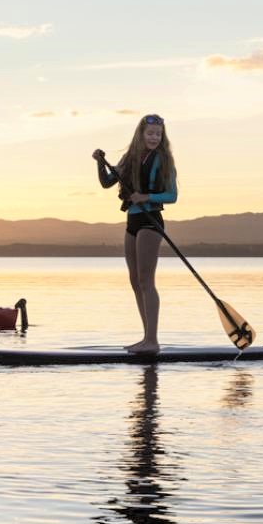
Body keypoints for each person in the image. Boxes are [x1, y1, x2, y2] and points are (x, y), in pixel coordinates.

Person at [93, 114, 178, 354]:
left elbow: (172, 196)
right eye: (150, 133)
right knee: (134, 280)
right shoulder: (129, 158)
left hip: (151, 221)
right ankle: (145, 338)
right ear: (141, 134)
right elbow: (107, 182)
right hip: (132, 220)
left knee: (146, 280)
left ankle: (152, 340)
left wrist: (146, 197)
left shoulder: (164, 160)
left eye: (158, 134)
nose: (154, 137)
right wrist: (100, 162)